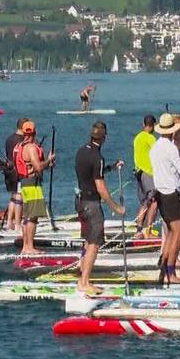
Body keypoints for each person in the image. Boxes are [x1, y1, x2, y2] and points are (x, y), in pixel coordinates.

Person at [74, 122, 125, 294]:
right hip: (91, 204)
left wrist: (111, 167)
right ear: (103, 137)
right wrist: (115, 207)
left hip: (80, 200)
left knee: (88, 241)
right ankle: (84, 282)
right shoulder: (97, 157)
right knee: (94, 243)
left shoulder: (82, 151)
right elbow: (100, 187)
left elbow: (92, 173)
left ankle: (83, 277)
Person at [149, 112, 180, 284]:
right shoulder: (170, 148)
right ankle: (171, 272)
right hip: (171, 193)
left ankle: (165, 270)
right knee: (178, 232)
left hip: (160, 192)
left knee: (170, 232)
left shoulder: (154, 147)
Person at [13, 120, 55, 254]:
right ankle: (29, 247)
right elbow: (37, 167)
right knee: (33, 216)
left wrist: (46, 164)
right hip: (31, 184)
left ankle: (26, 246)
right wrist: (48, 160)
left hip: (24, 182)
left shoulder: (19, 146)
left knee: (27, 216)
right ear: (34, 132)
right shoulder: (31, 148)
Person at [132, 114, 158, 239]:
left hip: (139, 172)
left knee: (145, 203)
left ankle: (138, 230)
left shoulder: (137, 137)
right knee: (153, 201)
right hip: (148, 173)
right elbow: (159, 152)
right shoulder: (150, 138)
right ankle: (148, 230)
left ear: (143, 124)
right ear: (153, 126)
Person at [3, 117, 27, 231]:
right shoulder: (21, 140)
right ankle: (17, 223)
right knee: (19, 197)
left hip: (9, 171)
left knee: (13, 196)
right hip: (17, 172)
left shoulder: (9, 139)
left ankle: (9, 222)